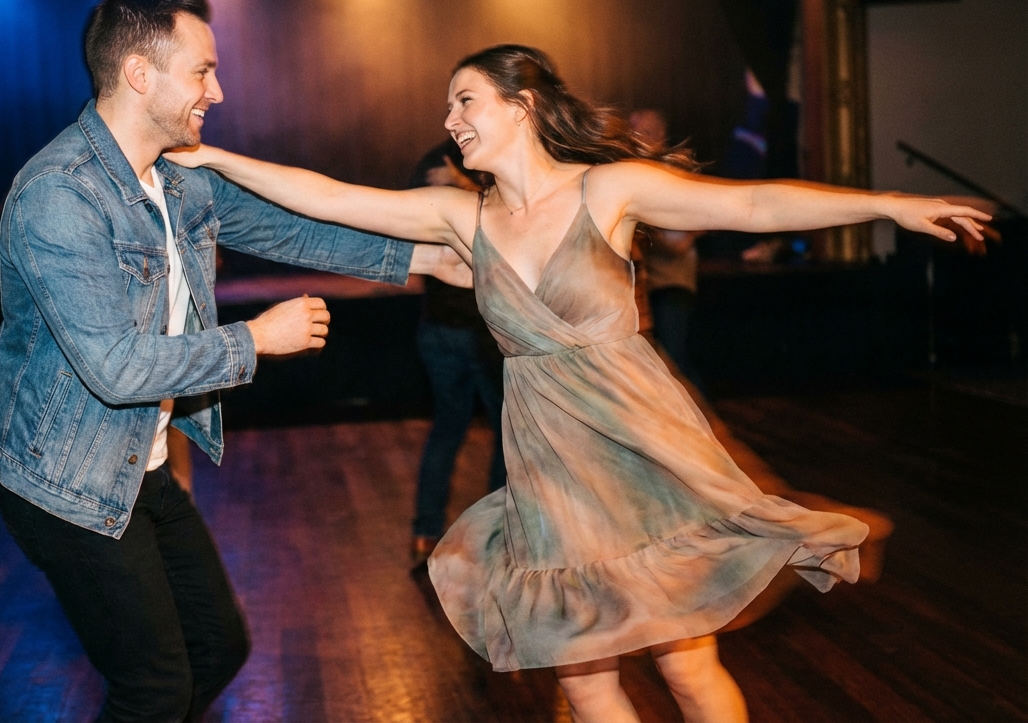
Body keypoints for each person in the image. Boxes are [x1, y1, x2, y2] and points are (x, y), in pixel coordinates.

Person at [165, 44, 990, 723]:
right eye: (449, 108)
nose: (450, 122)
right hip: (550, 470)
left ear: (522, 106)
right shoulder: (466, 217)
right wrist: (216, 156)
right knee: (583, 676)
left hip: (639, 450)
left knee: (685, 661)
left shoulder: (608, 189)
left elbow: (755, 207)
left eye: (466, 102)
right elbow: (334, 198)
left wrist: (888, 203)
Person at [0, 0, 468, 721]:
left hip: (135, 468)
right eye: (202, 71)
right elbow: (115, 369)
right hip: (66, 485)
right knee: (152, 686)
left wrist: (425, 260)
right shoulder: (59, 196)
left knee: (217, 647)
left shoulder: (177, 180)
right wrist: (255, 339)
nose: (219, 89)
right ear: (141, 74)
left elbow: (291, 229)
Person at [406, 141, 506, 568]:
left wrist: (459, 186)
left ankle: (426, 532)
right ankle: (497, 540)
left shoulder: (437, 163)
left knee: (449, 428)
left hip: (444, 325)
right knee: (508, 435)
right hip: (481, 330)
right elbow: (511, 225)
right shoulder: (500, 165)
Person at [628, 110, 706, 391]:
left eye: (645, 132)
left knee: (673, 358)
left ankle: (705, 424)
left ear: (660, 135)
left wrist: (662, 237)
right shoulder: (632, 173)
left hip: (674, 281)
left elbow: (705, 215)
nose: (638, 138)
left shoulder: (673, 173)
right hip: (647, 284)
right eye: (634, 131)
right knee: (656, 360)